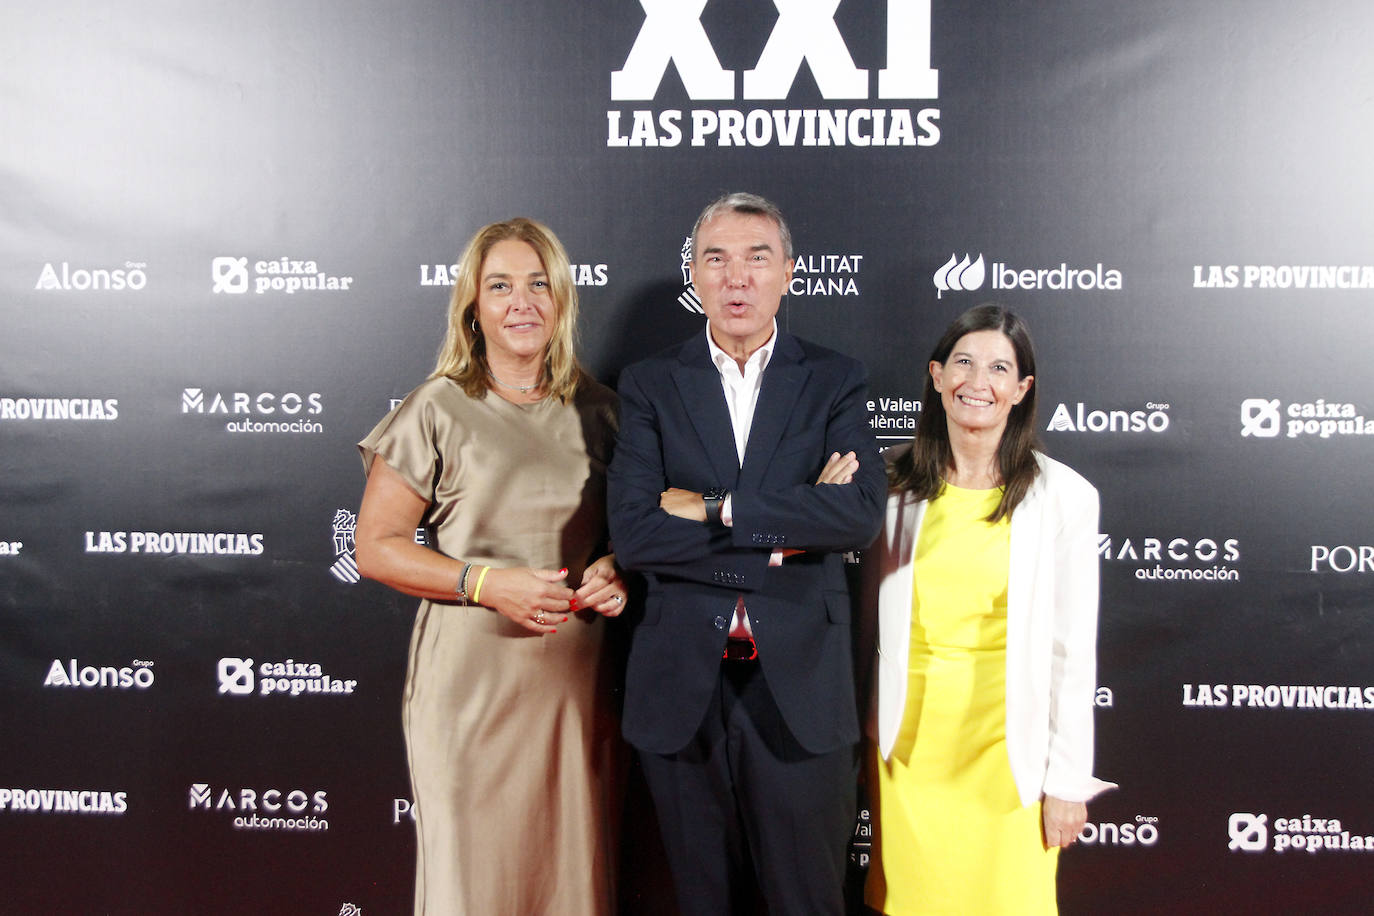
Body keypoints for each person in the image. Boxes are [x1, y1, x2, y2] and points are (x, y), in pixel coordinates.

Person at [607, 192, 886, 915]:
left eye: (757, 258)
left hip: (798, 688)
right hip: (680, 691)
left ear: (789, 273)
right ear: (693, 276)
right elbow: (636, 533)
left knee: (807, 901)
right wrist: (779, 539)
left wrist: (710, 507)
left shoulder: (834, 378)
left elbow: (853, 516)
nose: (737, 278)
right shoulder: (647, 384)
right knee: (702, 900)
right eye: (716, 259)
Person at [353, 217, 628, 916]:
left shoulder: (602, 412)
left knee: (571, 876)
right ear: (472, 306)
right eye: (500, 286)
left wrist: (619, 568)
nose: (522, 302)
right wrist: (484, 582)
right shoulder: (437, 408)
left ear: (562, 297)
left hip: (574, 683)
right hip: (470, 684)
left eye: (538, 284)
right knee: (474, 881)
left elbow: (638, 530)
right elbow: (376, 545)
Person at [862, 304, 1115, 915]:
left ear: (1021, 389)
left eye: (999, 368)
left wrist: (1066, 782)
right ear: (937, 376)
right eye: (964, 363)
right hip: (909, 742)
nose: (979, 382)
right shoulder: (887, 480)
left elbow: (1071, 653)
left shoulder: (1066, 497)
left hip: (1011, 750)